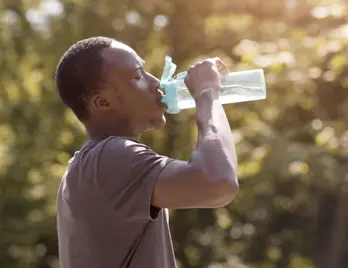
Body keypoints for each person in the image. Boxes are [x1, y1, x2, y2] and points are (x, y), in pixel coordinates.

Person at [54, 36, 239, 268]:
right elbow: (218, 182)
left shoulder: (88, 166)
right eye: (138, 76)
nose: (155, 83)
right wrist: (207, 93)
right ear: (102, 102)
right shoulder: (110, 157)